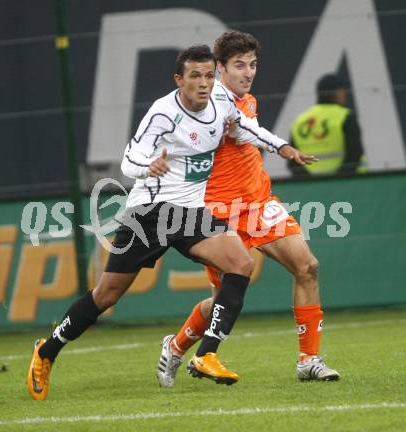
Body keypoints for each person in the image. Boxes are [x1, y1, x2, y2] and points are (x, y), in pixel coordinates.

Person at [26, 44, 313, 400]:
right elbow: (130, 159)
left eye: (209, 75)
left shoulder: (222, 103)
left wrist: (284, 148)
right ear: (179, 79)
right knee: (105, 296)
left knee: (239, 263)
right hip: (150, 214)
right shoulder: (163, 113)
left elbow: (249, 130)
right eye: (195, 75)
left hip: (191, 213)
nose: (204, 83)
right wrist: (148, 166)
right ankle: (47, 350)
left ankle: (207, 354)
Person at [157, 31, 340, 389]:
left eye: (252, 64)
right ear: (219, 68)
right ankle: (176, 346)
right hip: (218, 213)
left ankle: (309, 360)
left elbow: (251, 133)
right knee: (221, 302)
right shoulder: (204, 106)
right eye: (239, 65)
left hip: (258, 204)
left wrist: (281, 147)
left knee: (308, 266)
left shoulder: (247, 101)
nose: (248, 72)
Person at [289, 73, 365, 177]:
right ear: (337, 92)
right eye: (342, 90)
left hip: (310, 187)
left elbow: (292, 161)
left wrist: (310, 182)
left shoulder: (300, 121)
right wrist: (337, 179)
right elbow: (355, 154)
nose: (344, 94)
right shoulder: (345, 116)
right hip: (348, 184)